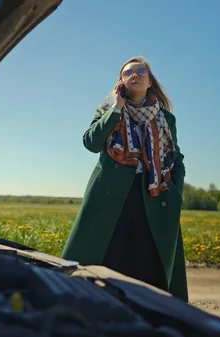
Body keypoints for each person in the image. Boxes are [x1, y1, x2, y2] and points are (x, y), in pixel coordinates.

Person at [61, 56, 188, 302]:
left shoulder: (166, 119)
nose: (135, 75)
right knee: (107, 260)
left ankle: (147, 315)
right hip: (110, 197)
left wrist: (176, 191)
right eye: (128, 72)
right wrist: (117, 108)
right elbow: (91, 143)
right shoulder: (107, 111)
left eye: (141, 71)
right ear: (121, 82)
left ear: (150, 82)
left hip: (153, 196)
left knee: (149, 262)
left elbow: (176, 158)